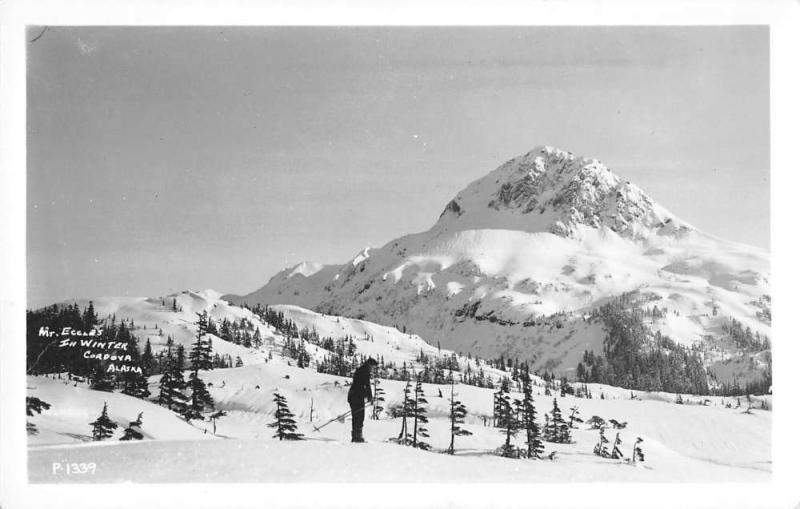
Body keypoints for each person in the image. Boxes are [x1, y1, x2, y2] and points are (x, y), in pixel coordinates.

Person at [348, 357, 378, 443]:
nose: (373, 369)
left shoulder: (362, 370)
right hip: (356, 396)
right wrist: (369, 396)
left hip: (354, 395)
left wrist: (368, 396)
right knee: (359, 416)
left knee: (356, 416)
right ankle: (357, 437)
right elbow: (365, 385)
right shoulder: (364, 371)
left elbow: (364, 385)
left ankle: (355, 436)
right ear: (370, 365)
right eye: (373, 367)